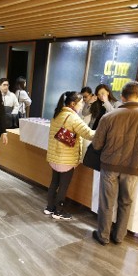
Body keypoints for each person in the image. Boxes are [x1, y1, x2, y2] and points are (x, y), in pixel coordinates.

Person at [91, 81, 138, 245]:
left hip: (110, 165)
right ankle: (119, 236)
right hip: (134, 166)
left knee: (107, 202)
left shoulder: (109, 116)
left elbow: (97, 144)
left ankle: (103, 236)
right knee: (126, 202)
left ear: (122, 97)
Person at [45, 91, 95, 220]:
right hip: (66, 159)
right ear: (73, 104)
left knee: (54, 183)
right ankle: (58, 211)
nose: (82, 105)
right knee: (63, 185)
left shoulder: (57, 114)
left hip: (54, 157)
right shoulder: (73, 118)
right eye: (81, 102)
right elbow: (89, 134)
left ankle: (49, 207)